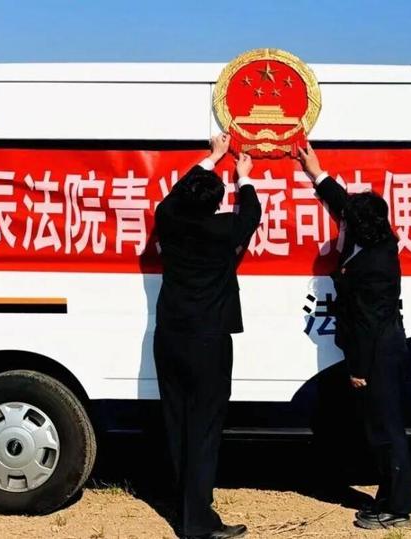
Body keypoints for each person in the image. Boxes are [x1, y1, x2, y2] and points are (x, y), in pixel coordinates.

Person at [298, 143, 411, 530]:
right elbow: (344, 203)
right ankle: (388, 497)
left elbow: (368, 323)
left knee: (386, 429)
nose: (343, 220)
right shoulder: (370, 237)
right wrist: (316, 171)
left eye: (349, 219)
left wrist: (359, 369)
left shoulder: (374, 264)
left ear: (360, 226)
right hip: (376, 344)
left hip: (379, 351)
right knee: (378, 427)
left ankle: (397, 508)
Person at [153, 133, 261, 539]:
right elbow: (252, 214)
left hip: (170, 337)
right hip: (209, 341)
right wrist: (244, 176)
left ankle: (187, 505)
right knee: (204, 429)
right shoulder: (224, 229)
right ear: (217, 204)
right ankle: (197, 521)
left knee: (177, 422)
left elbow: (175, 195)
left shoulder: (168, 219)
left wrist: (212, 157)